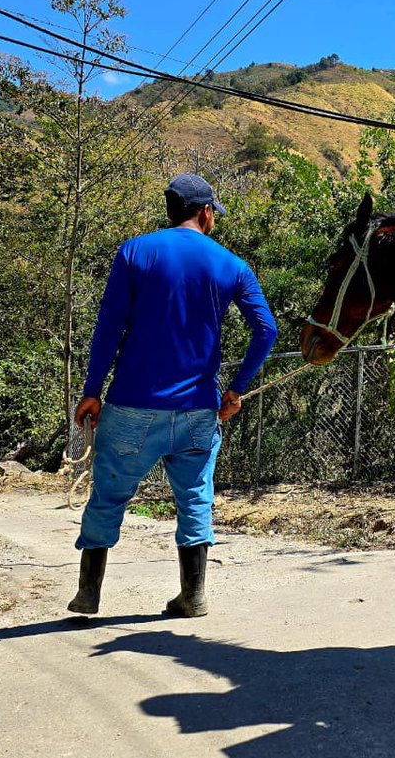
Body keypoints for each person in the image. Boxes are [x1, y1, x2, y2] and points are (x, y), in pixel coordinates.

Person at [67, 174, 278, 617]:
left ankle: (89, 593)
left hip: (131, 406)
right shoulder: (232, 265)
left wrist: (91, 392)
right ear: (205, 212)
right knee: (195, 497)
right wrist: (236, 389)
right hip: (198, 411)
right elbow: (267, 330)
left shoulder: (134, 252)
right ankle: (193, 595)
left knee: (107, 496)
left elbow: (109, 329)